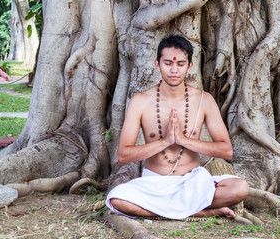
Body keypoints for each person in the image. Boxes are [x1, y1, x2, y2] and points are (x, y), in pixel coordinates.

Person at [106, 34, 249, 219]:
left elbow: (226, 151)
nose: (174, 70)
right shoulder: (140, 101)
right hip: (154, 185)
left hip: (193, 183)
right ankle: (198, 212)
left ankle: (169, 211)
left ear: (189, 66)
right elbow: (123, 155)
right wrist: (165, 141)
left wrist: (183, 140)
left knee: (239, 188)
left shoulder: (204, 100)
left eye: (180, 64)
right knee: (117, 199)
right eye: (168, 63)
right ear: (157, 64)